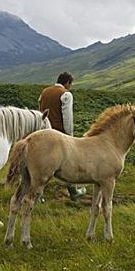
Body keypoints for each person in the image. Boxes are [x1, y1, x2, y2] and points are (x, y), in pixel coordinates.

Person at [38, 72, 87, 201]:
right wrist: (69, 135)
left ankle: (39, 194)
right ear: (67, 83)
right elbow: (67, 117)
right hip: (58, 134)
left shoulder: (45, 92)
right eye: (70, 84)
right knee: (68, 163)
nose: (70, 87)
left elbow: (40, 111)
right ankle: (73, 191)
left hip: (43, 131)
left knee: (41, 163)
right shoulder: (66, 94)